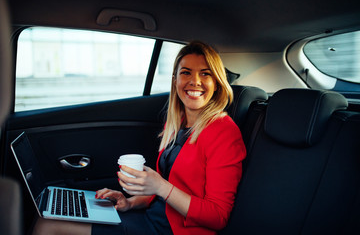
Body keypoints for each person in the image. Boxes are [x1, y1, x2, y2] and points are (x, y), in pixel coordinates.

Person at [32, 41, 246, 235]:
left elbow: (218, 216)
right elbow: (166, 190)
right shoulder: (178, 122)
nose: (194, 81)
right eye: (186, 73)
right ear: (175, 80)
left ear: (217, 82)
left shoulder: (224, 132)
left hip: (173, 231)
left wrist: (161, 186)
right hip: (150, 218)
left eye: (205, 74)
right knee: (49, 216)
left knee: (47, 225)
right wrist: (130, 203)